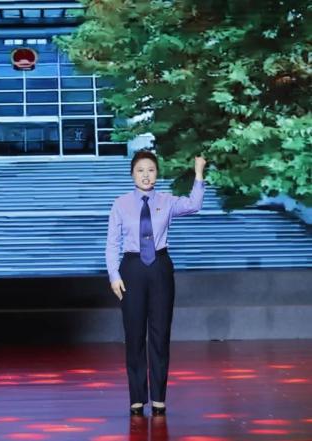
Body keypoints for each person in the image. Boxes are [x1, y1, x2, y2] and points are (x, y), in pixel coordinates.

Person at [105, 150, 206, 416]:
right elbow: (112, 243)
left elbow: (194, 205)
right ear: (132, 174)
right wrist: (114, 275)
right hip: (132, 268)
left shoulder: (167, 201)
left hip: (160, 267)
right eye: (140, 170)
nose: (146, 175)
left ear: (157, 174)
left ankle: (159, 398)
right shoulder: (120, 204)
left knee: (160, 334)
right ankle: (137, 398)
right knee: (134, 335)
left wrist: (198, 173)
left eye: (151, 170)